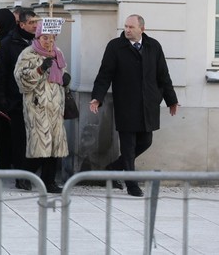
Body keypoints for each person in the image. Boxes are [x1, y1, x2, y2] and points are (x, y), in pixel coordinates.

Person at [90, 14, 178, 197]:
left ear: (142, 29)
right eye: (126, 27)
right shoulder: (115, 46)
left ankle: (113, 169)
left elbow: (163, 75)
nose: (127, 30)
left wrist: (171, 100)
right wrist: (97, 97)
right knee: (128, 147)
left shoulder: (153, 46)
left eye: (131, 27)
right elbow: (105, 74)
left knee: (146, 141)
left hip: (148, 104)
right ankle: (132, 185)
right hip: (126, 104)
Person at [14, 20, 70, 194]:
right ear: (38, 37)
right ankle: (24, 176)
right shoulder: (28, 54)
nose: (49, 42)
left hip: (55, 107)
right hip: (37, 106)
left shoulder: (57, 53)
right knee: (39, 146)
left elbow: (62, 72)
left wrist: (66, 79)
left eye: (52, 38)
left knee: (53, 147)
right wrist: (39, 70)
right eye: (45, 38)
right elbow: (21, 80)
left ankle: (49, 181)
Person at [0, 10, 39, 185]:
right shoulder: (8, 43)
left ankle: (31, 173)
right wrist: (2, 99)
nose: (35, 25)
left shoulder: (41, 42)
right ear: (22, 24)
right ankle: (22, 176)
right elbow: (1, 72)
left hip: (38, 100)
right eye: (32, 22)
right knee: (20, 141)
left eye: (36, 22)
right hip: (17, 100)